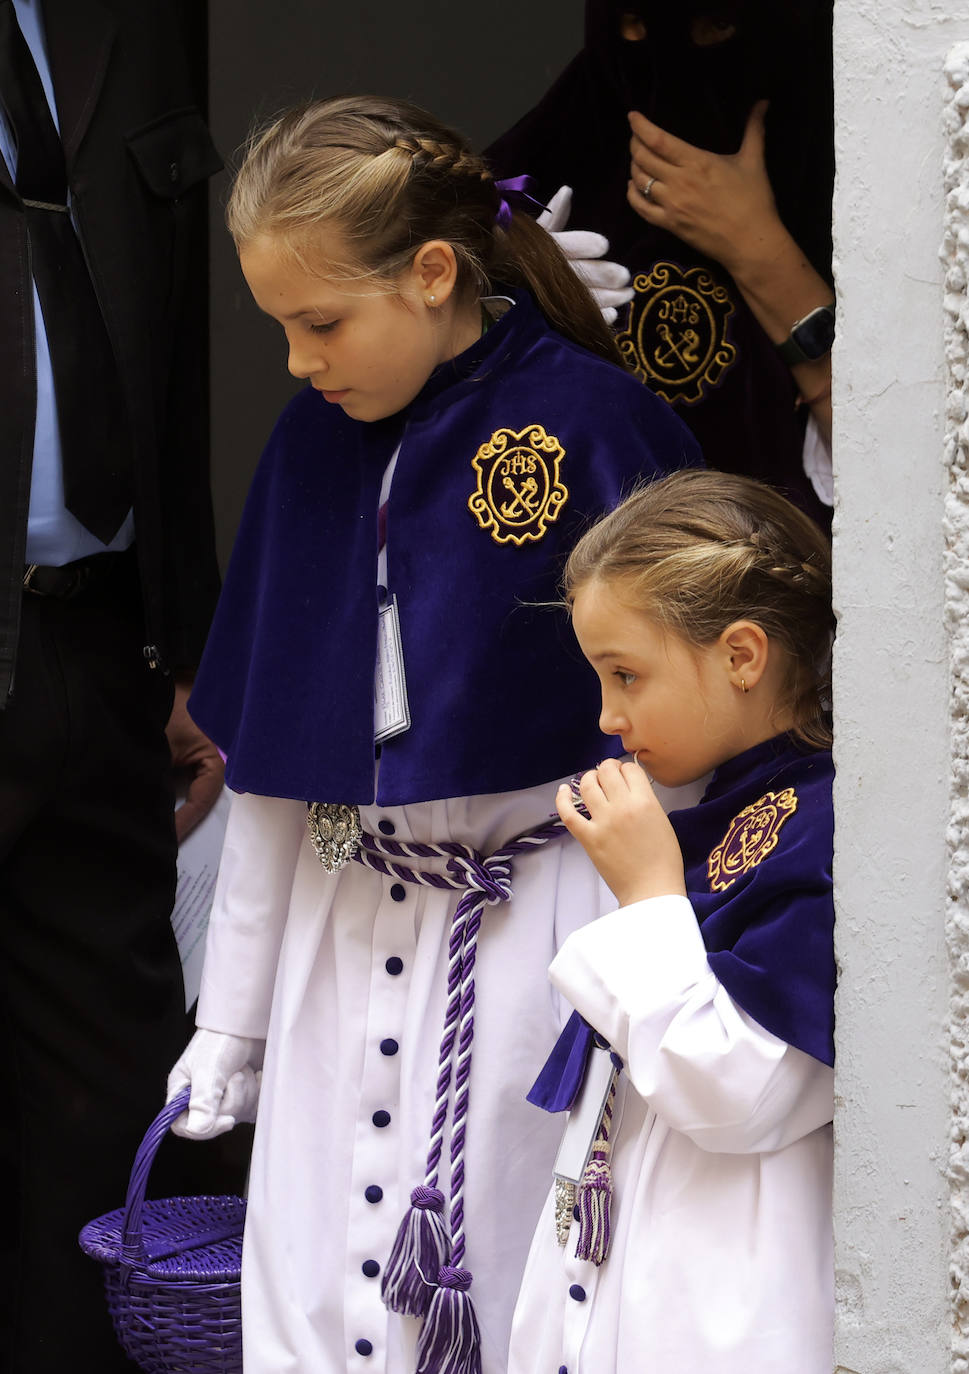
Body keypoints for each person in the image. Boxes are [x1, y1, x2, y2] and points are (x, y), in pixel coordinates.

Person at [165, 94, 701, 1374]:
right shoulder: (310, 448)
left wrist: (669, 971)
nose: (298, 362)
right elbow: (275, 777)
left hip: (546, 933)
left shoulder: (592, 423)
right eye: (282, 327)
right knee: (305, 1268)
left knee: (523, 1269)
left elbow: (687, 739)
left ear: (434, 274)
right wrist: (230, 1027)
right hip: (342, 931)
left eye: (321, 323)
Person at [0, 2, 225, 1370]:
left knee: (107, 1122)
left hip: (100, 646)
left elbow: (174, 327)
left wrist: (191, 640)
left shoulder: (133, 13)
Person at [507, 467, 835, 1372]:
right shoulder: (713, 811)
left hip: (725, 1300)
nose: (609, 717)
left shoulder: (830, 830)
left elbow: (741, 1098)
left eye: (626, 674)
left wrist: (651, 895)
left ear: (740, 655)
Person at [486, 1, 836, 525]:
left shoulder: (845, 172)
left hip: (767, 575)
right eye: (636, 23)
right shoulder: (540, 168)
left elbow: (911, 475)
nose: (671, 75)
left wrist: (760, 251)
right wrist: (502, 293)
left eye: (714, 24)